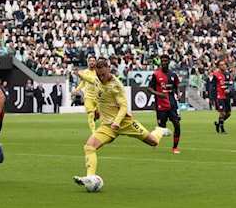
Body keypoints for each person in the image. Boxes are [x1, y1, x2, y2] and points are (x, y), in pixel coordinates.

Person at [73, 59, 171, 187]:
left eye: (103, 74)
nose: (101, 78)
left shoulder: (116, 85)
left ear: (109, 69)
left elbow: (124, 107)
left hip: (125, 122)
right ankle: (90, 177)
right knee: (89, 147)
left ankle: (160, 131)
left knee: (153, 142)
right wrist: (80, 75)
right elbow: (90, 79)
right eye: (99, 75)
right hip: (107, 126)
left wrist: (117, 122)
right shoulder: (96, 79)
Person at [147, 54, 182, 154]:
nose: (163, 63)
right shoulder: (156, 75)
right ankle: (154, 141)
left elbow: (176, 86)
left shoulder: (173, 75)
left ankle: (175, 147)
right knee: (161, 126)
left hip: (172, 103)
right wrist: (158, 93)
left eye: (165, 61)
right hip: (161, 104)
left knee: (177, 124)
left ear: (169, 62)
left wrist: (178, 94)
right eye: (162, 61)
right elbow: (149, 88)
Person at [72, 55, 99, 133]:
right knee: (90, 115)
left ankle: (95, 117)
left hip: (98, 97)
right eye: (90, 61)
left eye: (93, 61)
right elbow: (83, 82)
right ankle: (94, 133)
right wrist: (77, 89)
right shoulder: (85, 72)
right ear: (88, 62)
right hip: (89, 96)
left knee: (97, 115)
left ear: (95, 62)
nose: (92, 62)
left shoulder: (98, 71)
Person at [213, 60, 233, 134]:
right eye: (221, 65)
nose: (223, 66)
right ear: (218, 66)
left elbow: (231, 84)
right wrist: (212, 97)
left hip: (226, 96)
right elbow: (213, 86)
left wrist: (229, 89)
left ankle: (218, 123)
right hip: (219, 96)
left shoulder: (228, 74)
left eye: (224, 64)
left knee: (228, 113)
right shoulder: (216, 75)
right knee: (222, 112)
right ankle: (222, 129)